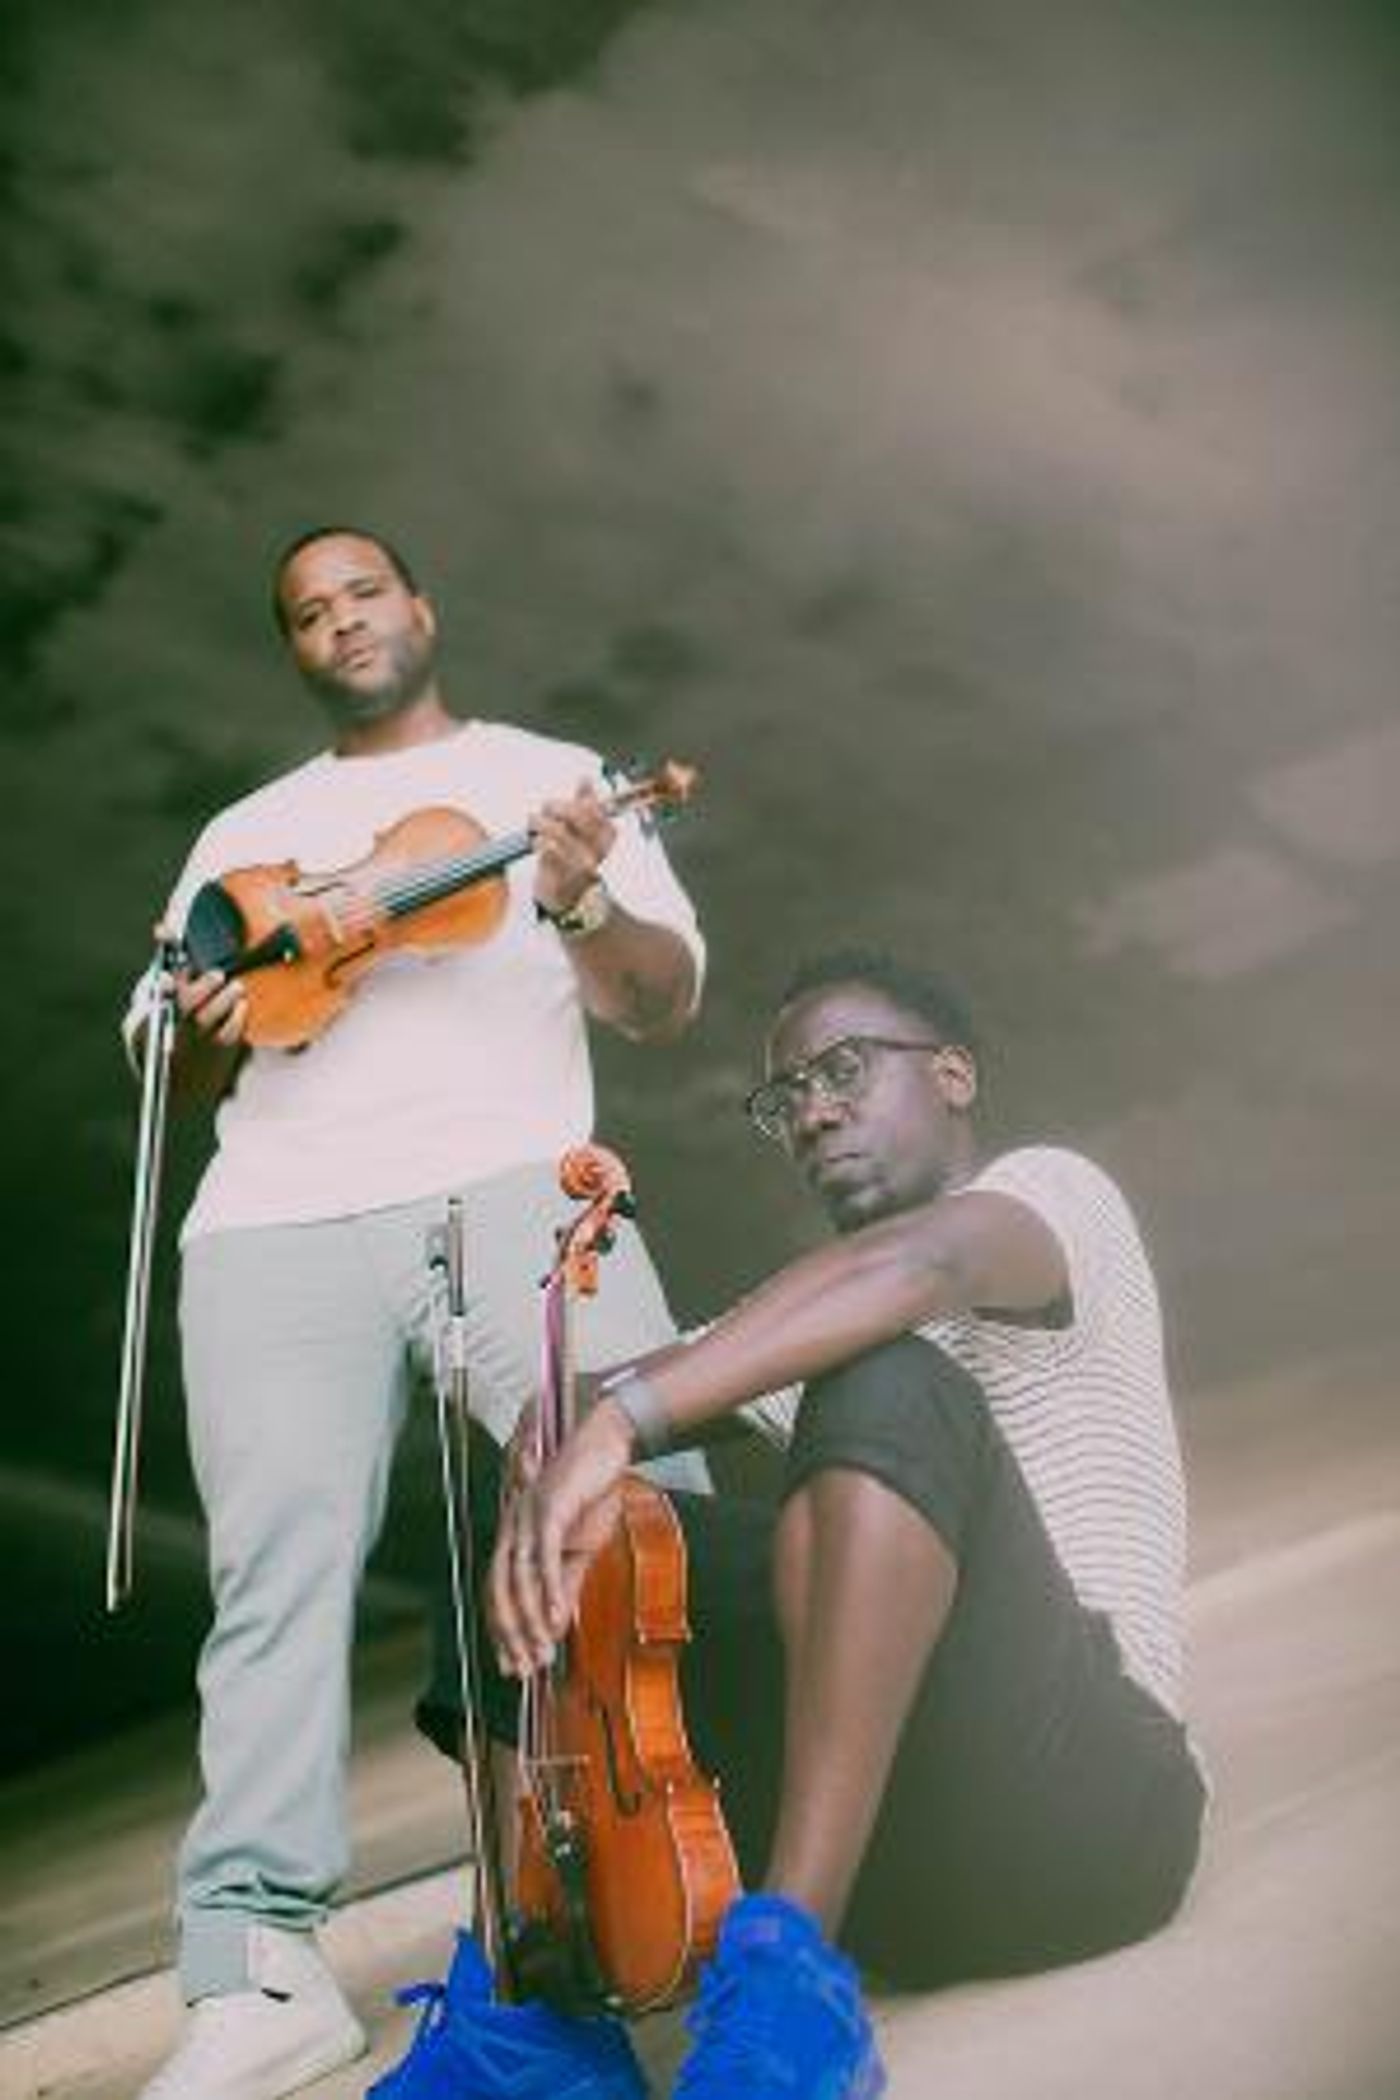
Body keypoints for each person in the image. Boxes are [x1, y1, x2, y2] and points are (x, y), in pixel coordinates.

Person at [123, 525, 711, 2100]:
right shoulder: (245, 833)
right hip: (273, 1222)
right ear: (295, 650)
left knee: (650, 1508)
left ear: (421, 610)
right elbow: (174, 1078)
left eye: (361, 593)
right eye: (307, 613)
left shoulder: (548, 781)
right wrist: (211, 1023)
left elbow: (662, 1001)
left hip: (516, 1180)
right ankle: (257, 1973)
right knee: (273, 1581)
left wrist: (580, 903)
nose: (339, 623)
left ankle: (688, 1876)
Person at [415, 949, 1205, 2099]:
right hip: (913, 1883)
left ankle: (790, 1982)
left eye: (843, 1069)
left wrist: (626, 1418)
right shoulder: (818, 1313)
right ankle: (533, 2006)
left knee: (884, 1379)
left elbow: (920, 1268)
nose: (812, 1111)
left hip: (1088, 1818)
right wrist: (556, 1432)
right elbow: (617, 1398)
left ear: (950, 1074)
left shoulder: (1052, 1198)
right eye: (785, 1098)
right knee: (535, 1508)